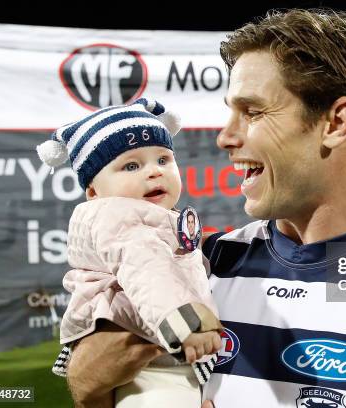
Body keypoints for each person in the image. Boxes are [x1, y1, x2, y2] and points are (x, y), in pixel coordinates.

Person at [58, 9, 346, 408]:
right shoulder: (203, 263)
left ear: (336, 122)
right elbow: (90, 383)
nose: (225, 136)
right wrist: (90, 377)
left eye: (253, 112)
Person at [37, 98, 223, 407]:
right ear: (94, 192)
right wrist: (184, 320)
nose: (154, 172)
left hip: (159, 344)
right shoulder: (118, 216)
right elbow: (145, 268)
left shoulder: (153, 217)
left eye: (163, 160)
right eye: (131, 166)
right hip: (152, 350)